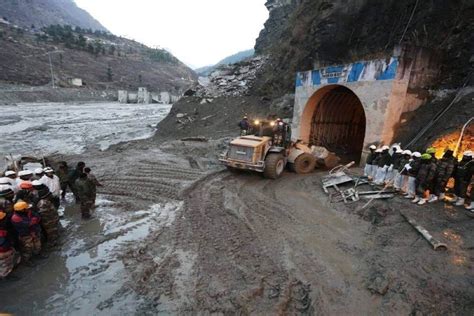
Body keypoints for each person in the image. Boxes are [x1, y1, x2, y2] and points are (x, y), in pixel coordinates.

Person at [0, 209, 20, 279]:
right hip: (3, 251)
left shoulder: (3, 229)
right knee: (5, 264)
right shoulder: (2, 232)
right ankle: (6, 275)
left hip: (7, 248)